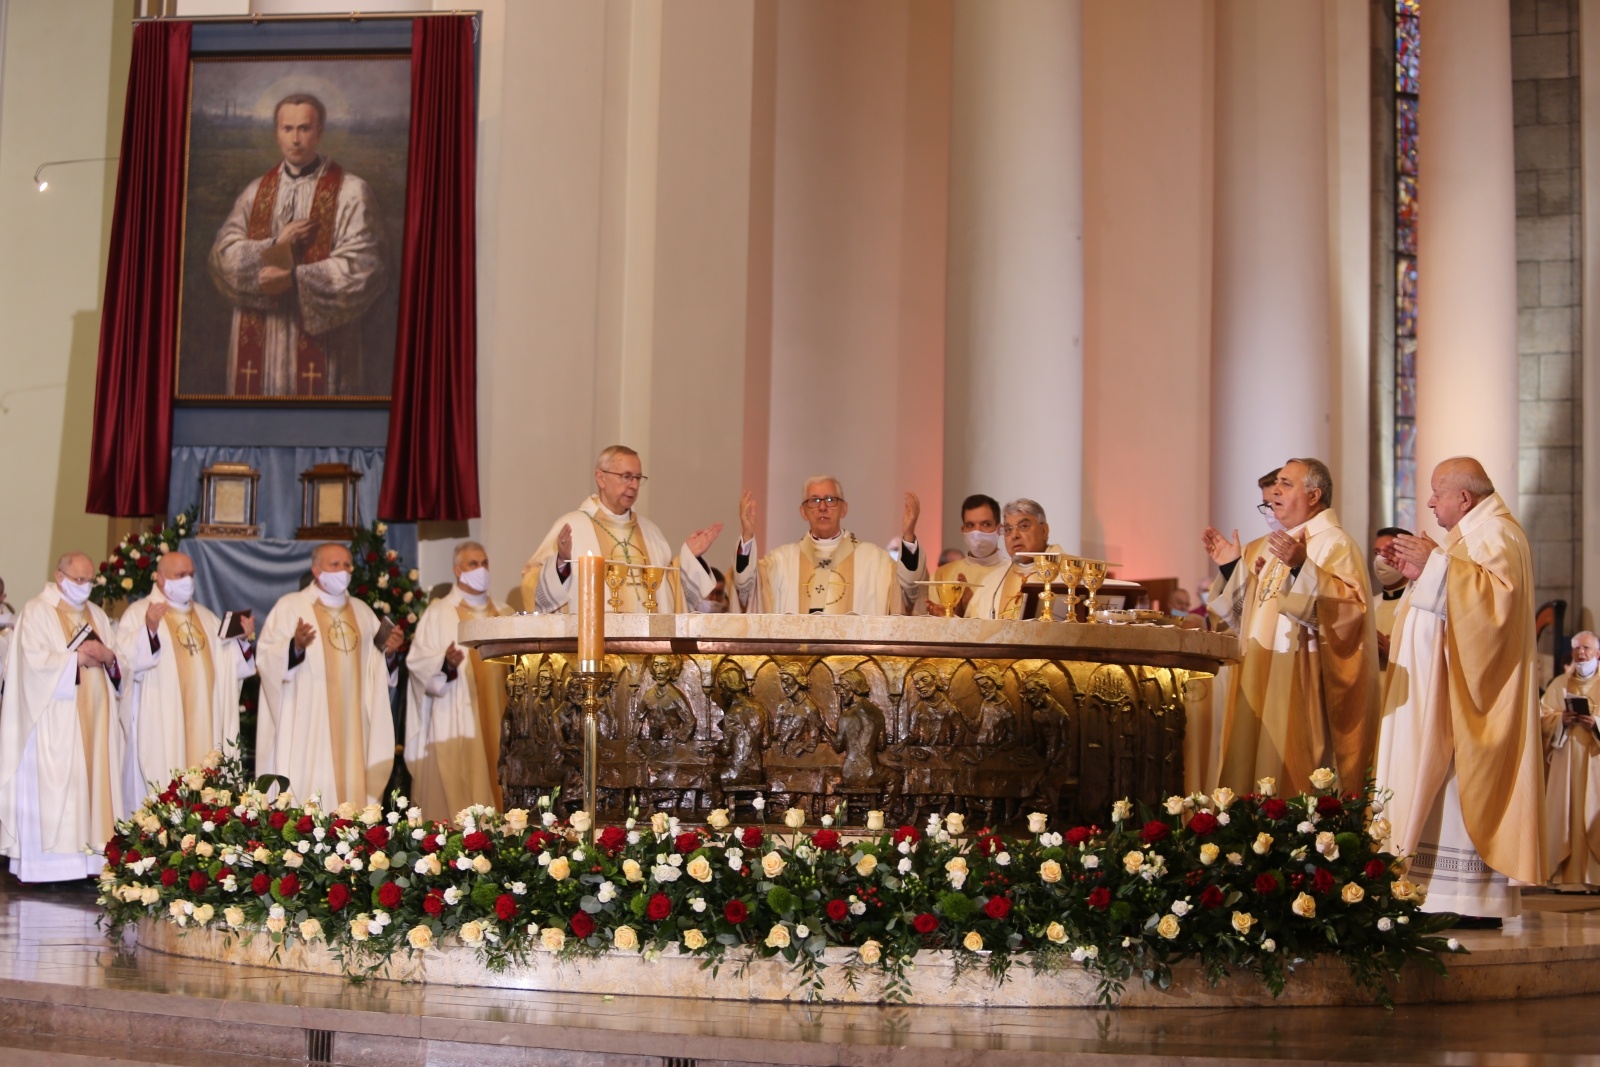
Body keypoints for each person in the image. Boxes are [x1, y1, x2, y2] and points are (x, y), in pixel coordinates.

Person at [1375, 457, 1545, 925]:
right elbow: (1448, 595)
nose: (1429, 501)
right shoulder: (1469, 534)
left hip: (1464, 697)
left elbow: (1496, 607)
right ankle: (1430, 893)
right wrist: (1421, 571)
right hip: (1438, 689)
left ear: (1464, 498)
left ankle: (1465, 900)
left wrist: (1436, 565)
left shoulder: (1496, 534)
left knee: (1457, 783)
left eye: (1436, 493)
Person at [1201, 458, 1378, 795]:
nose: (1275, 492)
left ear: (1314, 495)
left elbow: (1351, 612)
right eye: (1276, 484)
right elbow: (1249, 616)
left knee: (1292, 777)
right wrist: (1230, 569)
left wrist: (1301, 569)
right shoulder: (1280, 543)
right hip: (1261, 670)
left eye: (1286, 483)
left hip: (1299, 676)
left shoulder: (1334, 543)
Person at [208, 93, 387, 397]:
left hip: (325, 345)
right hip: (260, 345)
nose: (295, 139)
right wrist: (278, 243)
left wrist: (293, 279)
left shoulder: (352, 192)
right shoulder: (255, 192)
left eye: (304, 128)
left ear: (320, 131)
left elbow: (364, 267)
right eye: (287, 129)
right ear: (276, 132)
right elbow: (222, 256)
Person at [0, 552, 121, 881]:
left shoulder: (96, 613)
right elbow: (29, 663)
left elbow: (116, 661)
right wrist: (78, 658)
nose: (84, 586)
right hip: (54, 722)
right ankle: (50, 871)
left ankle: (92, 866)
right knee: (60, 793)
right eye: (78, 580)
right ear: (59, 576)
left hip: (96, 721)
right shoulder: (37, 611)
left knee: (93, 790)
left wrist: (107, 655)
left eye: (89, 580)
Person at [256, 543, 400, 807]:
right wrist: (294, 647)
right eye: (335, 565)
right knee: (310, 788)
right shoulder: (291, 606)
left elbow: (374, 668)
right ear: (316, 570)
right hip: (309, 720)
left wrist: (389, 653)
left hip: (353, 722)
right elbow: (265, 658)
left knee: (353, 795)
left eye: (347, 565)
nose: (343, 571)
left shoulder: (363, 612)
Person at [113, 551, 255, 817]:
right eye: (180, 575)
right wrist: (150, 630)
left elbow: (232, 669)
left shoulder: (208, 618)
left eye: (191, 574)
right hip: (162, 723)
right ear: (161, 578)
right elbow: (124, 664)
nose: (188, 581)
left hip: (204, 721)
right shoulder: (139, 613)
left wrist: (243, 640)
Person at [522, 445, 722, 615]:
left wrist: (689, 558)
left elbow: (668, 590)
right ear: (601, 478)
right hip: (591, 651)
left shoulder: (650, 532)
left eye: (638, 478)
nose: (634, 485)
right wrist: (560, 563)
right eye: (626, 477)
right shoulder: (573, 526)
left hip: (646, 650)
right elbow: (531, 582)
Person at [405, 541, 504, 821]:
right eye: (473, 564)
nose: (481, 570)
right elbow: (417, 663)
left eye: (485, 563)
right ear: (457, 571)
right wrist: (444, 664)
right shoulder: (437, 614)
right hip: (455, 716)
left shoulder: (504, 612)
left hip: (499, 716)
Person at [732, 477, 928, 614]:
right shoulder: (781, 561)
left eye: (830, 500)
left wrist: (908, 535)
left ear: (844, 509)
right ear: (803, 512)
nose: (822, 507)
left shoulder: (873, 560)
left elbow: (909, 588)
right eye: (814, 500)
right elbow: (746, 587)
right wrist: (747, 535)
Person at [1540, 631, 1600, 891]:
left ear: (1597, 653)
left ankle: (1595, 878)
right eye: (1576, 648)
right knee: (1567, 815)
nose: (1580, 653)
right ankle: (1567, 880)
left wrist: (1596, 723)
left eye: (1586, 648)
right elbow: (1542, 716)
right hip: (1566, 763)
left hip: (1595, 762)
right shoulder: (1559, 684)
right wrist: (1560, 721)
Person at [966, 499, 1069, 620]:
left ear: (1044, 530)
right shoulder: (992, 583)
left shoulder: (1068, 575)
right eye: (1008, 529)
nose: (1014, 535)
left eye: (1024, 526)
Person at [926, 493, 1009, 617]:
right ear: (963, 530)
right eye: (970, 525)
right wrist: (954, 613)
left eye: (986, 524)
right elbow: (931, 626)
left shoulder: (1011, 573)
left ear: (999, 529)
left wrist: (972, 607)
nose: (977, 532)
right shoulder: (942, 575)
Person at [1372, 526, 1412, 671]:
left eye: (1388, 552)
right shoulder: (1368, 605)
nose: (1380, 559)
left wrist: (1392, 653)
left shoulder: (1418, 605)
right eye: (1376, 552)